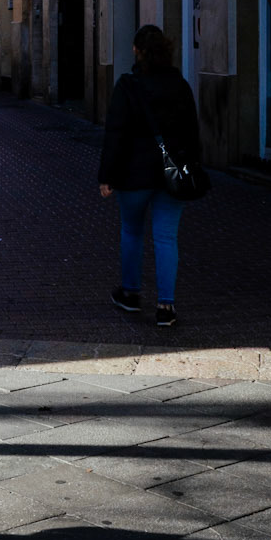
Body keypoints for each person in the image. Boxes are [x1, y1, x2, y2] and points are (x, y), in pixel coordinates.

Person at [98, 24, 203, 328]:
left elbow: (115, 134)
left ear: (137, 51)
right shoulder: (180, 86)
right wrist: (192, 165)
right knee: (166, 237)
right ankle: (166, 305)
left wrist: (107, 175)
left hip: (133, 175)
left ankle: (130, 293)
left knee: (132, 231)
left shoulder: (127, 86)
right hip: (171, 174)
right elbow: (192, 133)